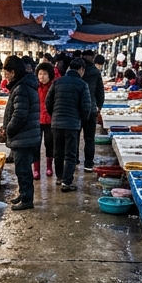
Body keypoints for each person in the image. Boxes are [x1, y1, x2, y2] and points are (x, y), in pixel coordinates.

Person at [45, 57, 97, 193]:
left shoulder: (57, 82)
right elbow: (86, 107)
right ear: (81, 70)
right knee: (70, 154)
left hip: (56, 123)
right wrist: (80, 120)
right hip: (72, 124)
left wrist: (54, 115)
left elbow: (48, 102)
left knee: (58, 151)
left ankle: (59, 178)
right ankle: (67, 183)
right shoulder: (82, 84)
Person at [0, 55, 41, 211]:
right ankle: (23, 194)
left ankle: (27, 199)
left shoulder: (21, 88)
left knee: (23, 170)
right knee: (21, 169)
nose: (5, 76)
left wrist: (8, 129)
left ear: (13, 72)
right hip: (26, 135)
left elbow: (20, 115)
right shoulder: (22, 85)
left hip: (24, 136)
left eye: (7, 73)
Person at [82, 53, 106, 170]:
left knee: (74, 137)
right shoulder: (95, 72)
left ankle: (74, 159)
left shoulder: (76, 71)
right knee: (89, 138)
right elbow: (100, 91)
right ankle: (88, 163)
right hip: (91, 109)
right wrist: (99, 106)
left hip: (77, 110)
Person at [36, 63, 55, 180]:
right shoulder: (34, 87)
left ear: (50, 75)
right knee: (35, 145)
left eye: (44, 74)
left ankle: (49, 167)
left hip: (50, 120)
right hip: (37, 120)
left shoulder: (54, 87)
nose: (42, 76)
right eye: (40, 74)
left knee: (49, 144)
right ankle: (36, 170)